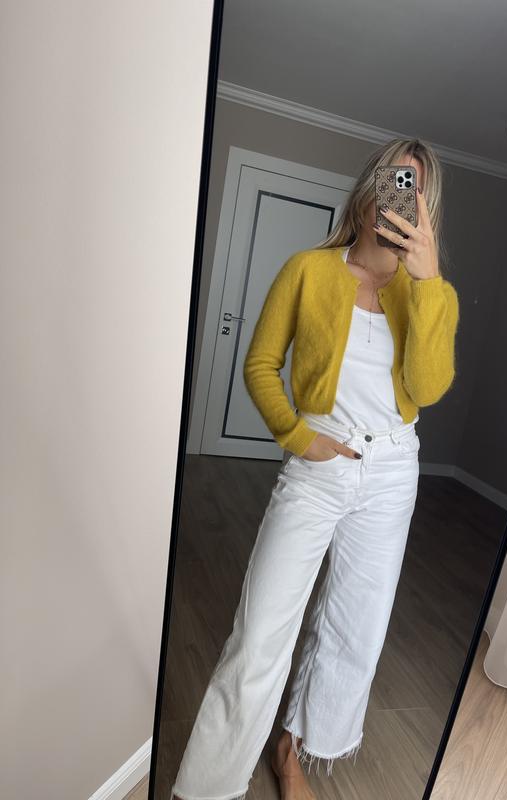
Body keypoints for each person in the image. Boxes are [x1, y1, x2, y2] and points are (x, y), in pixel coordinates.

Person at [171, 137, 460, 800]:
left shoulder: (428, 294)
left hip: (393, 470)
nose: (398, 200)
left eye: (413, 190)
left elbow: (429, 386)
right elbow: (260, 365)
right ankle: (207, 787)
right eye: (393, 181)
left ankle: (293, 748)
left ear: (426, 209)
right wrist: (299, 437)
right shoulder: (308, 269)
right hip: (318, 466)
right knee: (259, 634)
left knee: (356, 629)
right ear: (368, 189)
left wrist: (429, 282)